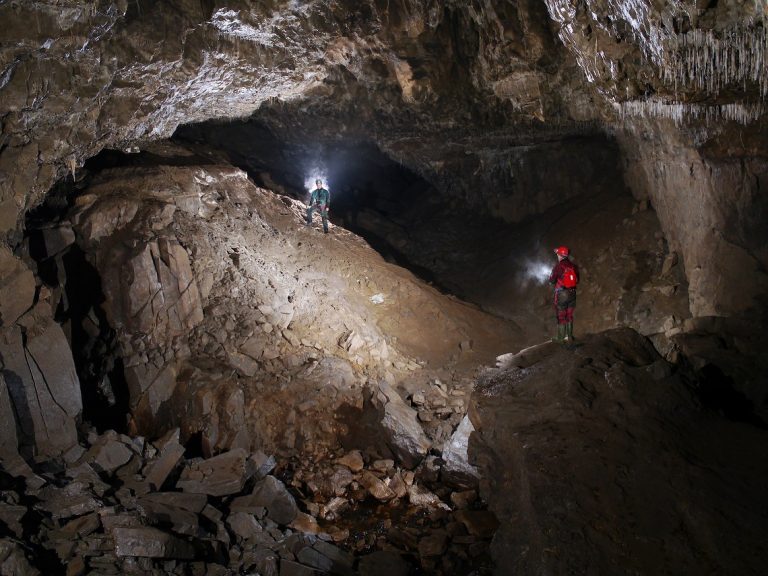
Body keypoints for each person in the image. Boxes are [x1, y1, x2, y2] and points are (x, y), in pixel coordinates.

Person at [548, 245, 579, 342]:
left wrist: (552, 278)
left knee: (561, 316)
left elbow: (552, 281)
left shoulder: (558, 267)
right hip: (572, 293)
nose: (557, 256)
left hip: (562, 294)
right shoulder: (574, 266)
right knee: (569, 315)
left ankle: (561, 338)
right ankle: (569, 336)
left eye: (557, 254)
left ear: (560, 256)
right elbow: (577, 280)